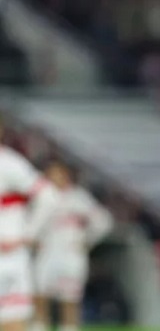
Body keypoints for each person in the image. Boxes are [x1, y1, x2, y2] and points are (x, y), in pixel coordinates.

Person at [31, 159, 113, 331]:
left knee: (69, 300)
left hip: (70, 256)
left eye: (58, 173)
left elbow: (103, 221)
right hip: (47, 253)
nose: (54, 177)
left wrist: (86, 241)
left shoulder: (78, 197)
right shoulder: (42, 197)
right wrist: (33, 241)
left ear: (66, 175)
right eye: (50, 174)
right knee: (40, 296)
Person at [0, 117, 59, 331]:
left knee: (10, 319)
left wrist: (25, 235)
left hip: (6, 256)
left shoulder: (9, 163)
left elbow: (49, 196)